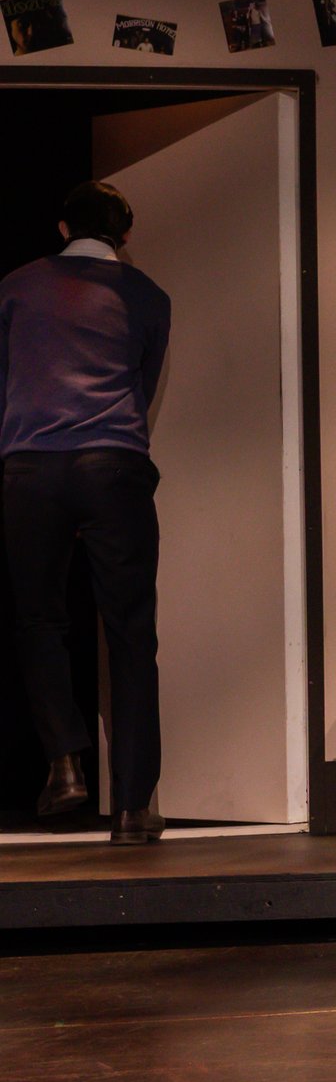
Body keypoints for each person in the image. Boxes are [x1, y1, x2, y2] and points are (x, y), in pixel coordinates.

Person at [0, 181, 172, 842]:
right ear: (126, 234)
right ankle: (131, 807)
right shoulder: (149, 295)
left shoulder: (15, 285)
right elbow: (144, 379)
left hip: (32, 467)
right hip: (113, 465)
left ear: (63, 224)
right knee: (130, 632)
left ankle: (64, 760)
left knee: (39, 616)